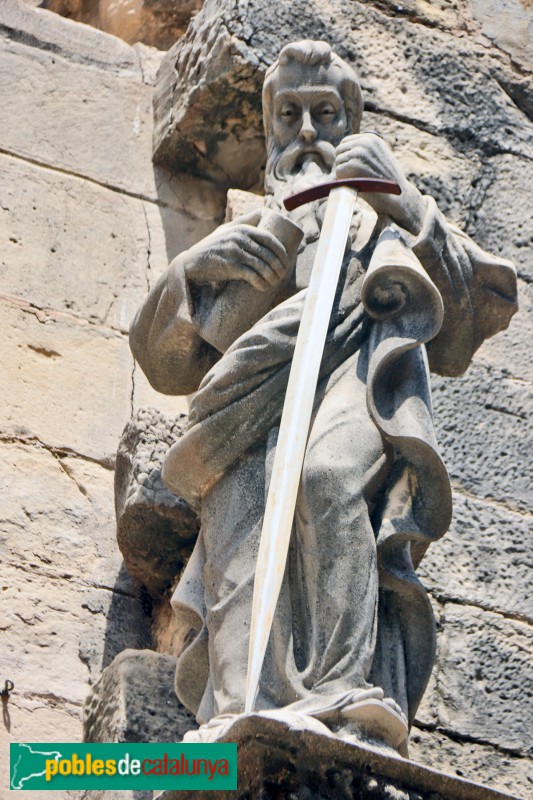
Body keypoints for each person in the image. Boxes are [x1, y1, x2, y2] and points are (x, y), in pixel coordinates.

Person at [130, 40, 517, 749]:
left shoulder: (381, 217)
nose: (306, 133)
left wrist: (400, 201)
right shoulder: (253, 226)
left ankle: (343, 689)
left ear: (351, 121)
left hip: (355, 373)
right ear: (270, 131)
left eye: (324, 113)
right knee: (243, 545)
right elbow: (164, 363)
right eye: (288, 117)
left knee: (329, 479)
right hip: (248, 411)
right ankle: (239, 713)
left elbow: (480, 304)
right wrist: (194, 269)